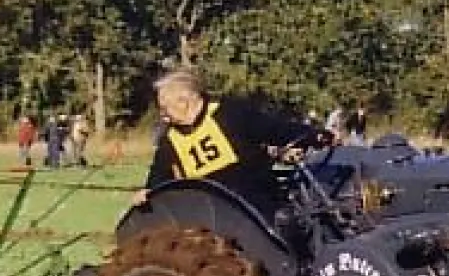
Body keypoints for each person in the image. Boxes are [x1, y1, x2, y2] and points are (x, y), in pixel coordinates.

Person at [133, 68, 332, 219]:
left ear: (184, 101)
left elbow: (274, 129)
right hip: (210, 214)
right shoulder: (170, 141)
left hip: (256, 200)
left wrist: (313, 136)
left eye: (165, 109)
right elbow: (160, 175)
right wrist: (147, 191)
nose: (163, 116)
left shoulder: (230, 113)